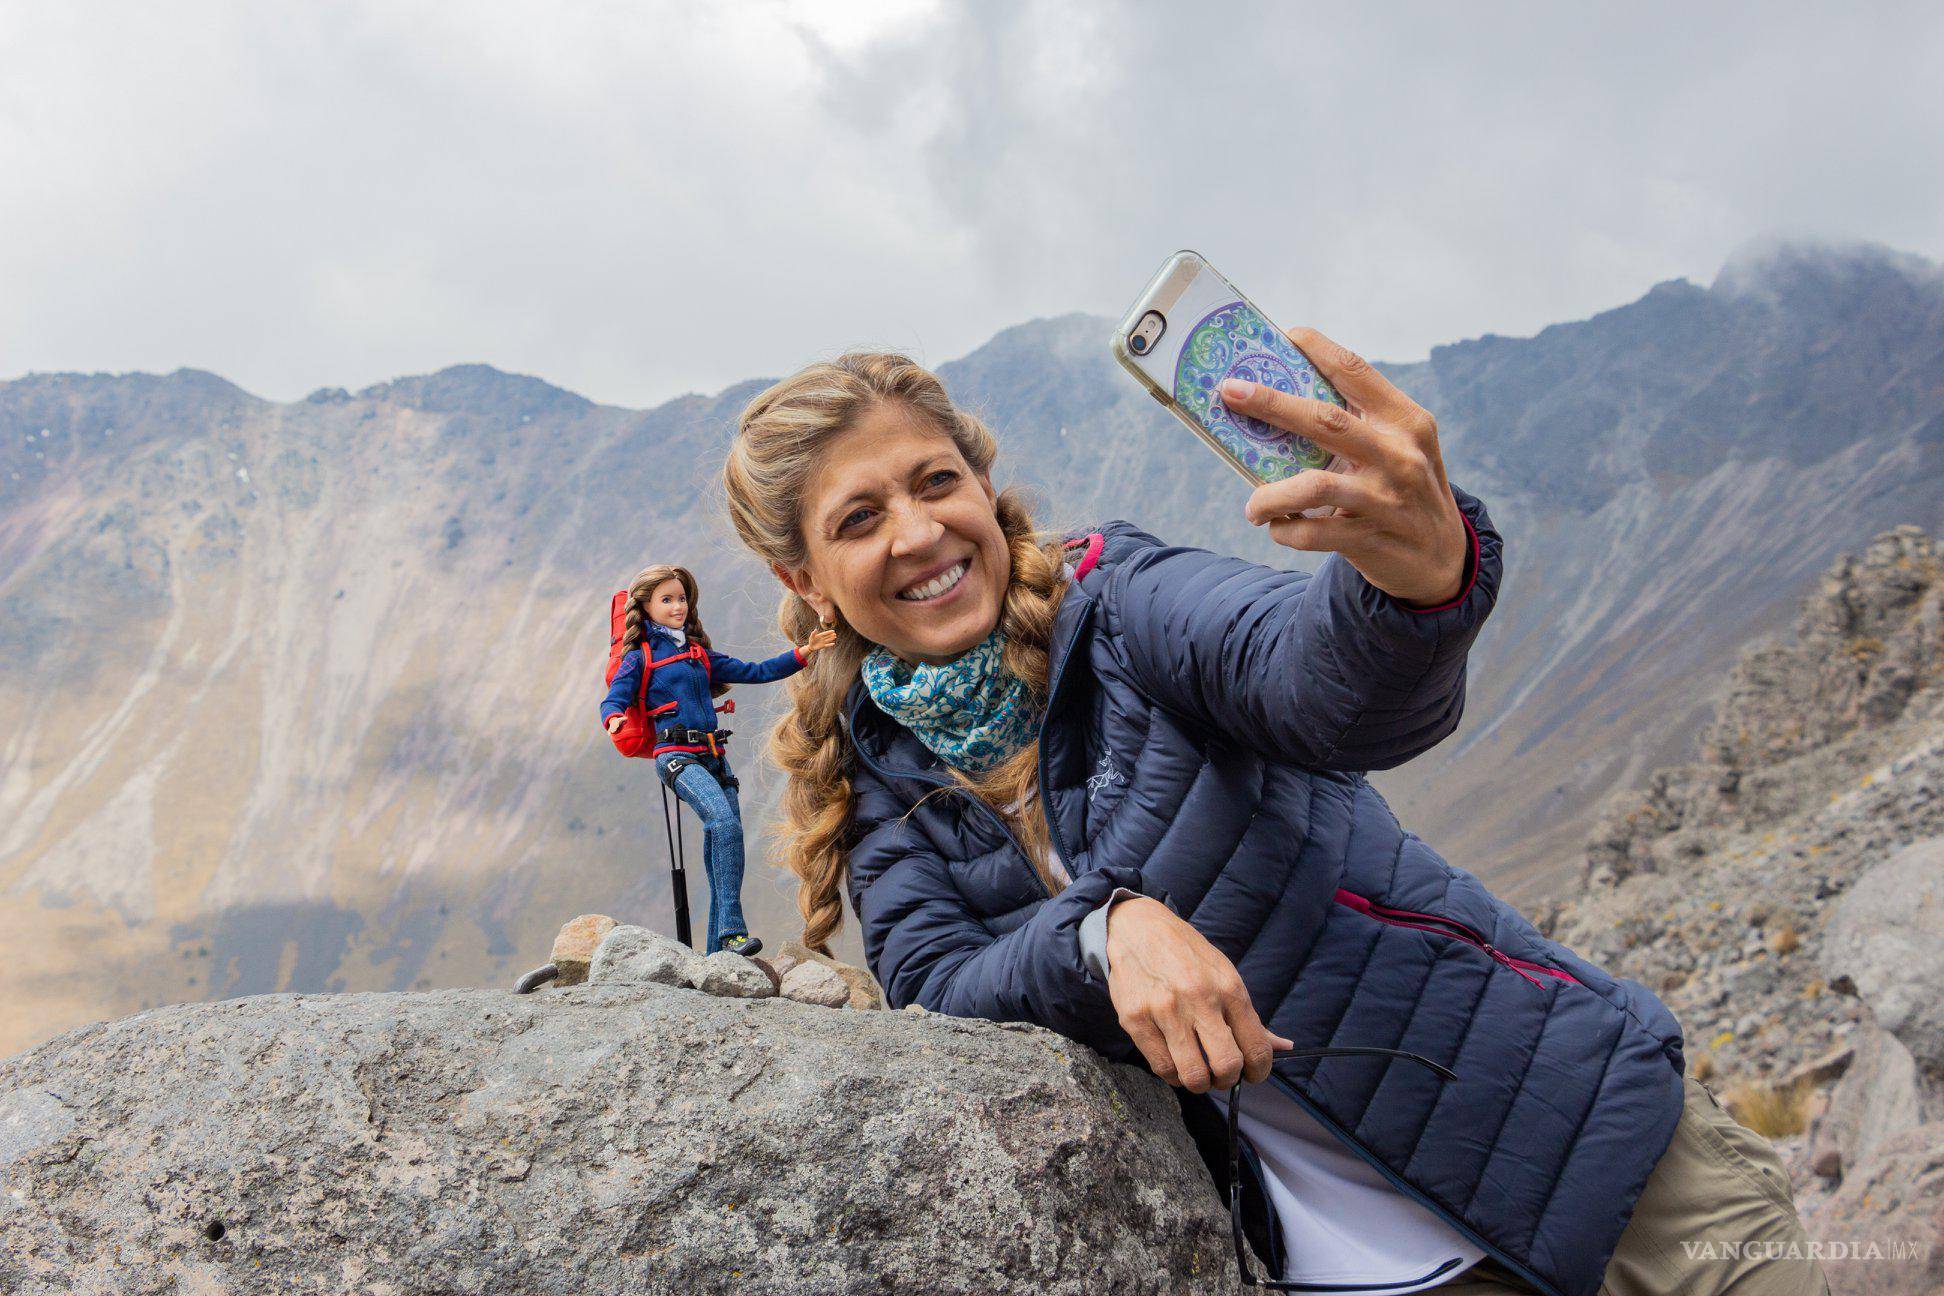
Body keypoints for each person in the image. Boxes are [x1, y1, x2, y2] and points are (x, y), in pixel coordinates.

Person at [719, 346, 1830, 1296]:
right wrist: (1109, 934)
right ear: (803, 576)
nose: (918, 533)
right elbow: (940, 988)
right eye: (860, 519)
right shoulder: (871, 771)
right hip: (1372, 1275)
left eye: (935, 481)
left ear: (983, 483)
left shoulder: (1119, 603)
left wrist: (1416, 583)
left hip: (1612, 1157)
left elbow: (1313, 676)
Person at [600, 563, 835, 956]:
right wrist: (613, 717)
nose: (678, 606)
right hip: (676, 757)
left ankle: (718, 954)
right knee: (723, 823)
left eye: (682, 599)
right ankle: (731, 933)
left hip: (713, 758)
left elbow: (756, 671)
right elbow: (615, 696)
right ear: (646, 606)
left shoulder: (698, 654)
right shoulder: (640, 657)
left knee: (727, 847)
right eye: (667, 599)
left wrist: (804, 652)